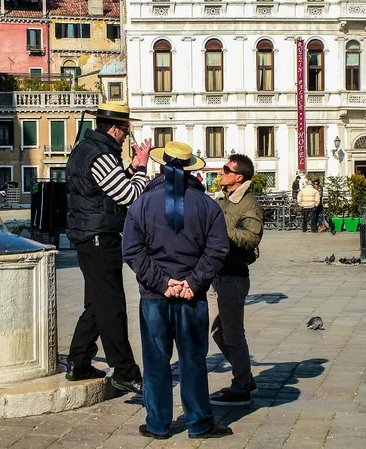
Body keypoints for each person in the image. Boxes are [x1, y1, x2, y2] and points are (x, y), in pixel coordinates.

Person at [122, 141, 232, 439]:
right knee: (193, 360)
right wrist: (192, 282)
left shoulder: (141, 204)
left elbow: (132, 250)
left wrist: (161, 282)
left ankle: (158, 424)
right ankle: (198, 422)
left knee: (156, 360)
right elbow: (218, 249)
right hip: (191, 297)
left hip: (155, 297)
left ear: (160, 165)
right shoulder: (207, 205)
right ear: (190, 169)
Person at [65, 103, 152, 395]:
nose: (127, 136)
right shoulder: (101, 155)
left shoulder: (84, 148)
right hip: (99, 236)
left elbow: (106, 186)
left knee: (97, 303)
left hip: (87, 233)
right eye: (126, 129)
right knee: (112, 305)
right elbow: (128, 195)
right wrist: (142, 171)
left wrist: (131, 167)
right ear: (114, 129)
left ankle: (79, 361)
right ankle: (125, 371)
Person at [208, 154, 263, 406]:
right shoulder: (225, 199)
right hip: (218, 273)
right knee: (219, 332)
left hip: (234, 274)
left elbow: (252, 239)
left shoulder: (248, 203)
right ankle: (244, 375)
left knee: (232, 333)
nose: (222, 172)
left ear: (238, 176)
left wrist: (217, 226)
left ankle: (241, 386)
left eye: (226, 169)